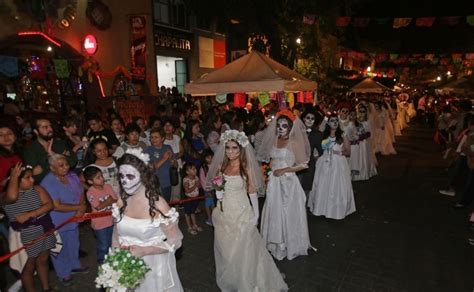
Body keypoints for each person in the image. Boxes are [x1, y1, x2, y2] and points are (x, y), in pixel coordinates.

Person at [204, 129, 288, 291]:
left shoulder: (245, 167)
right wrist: (219, 193)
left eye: (234, 148)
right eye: (227, 147)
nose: (230, 151)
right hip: (224, 213)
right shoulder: (222, 165)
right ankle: (234, 278)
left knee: (245, 251)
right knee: (227, 251)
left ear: (241, 148)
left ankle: (248, 281)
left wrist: (255, 215)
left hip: (241, 213)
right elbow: (219, 187)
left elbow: (252, 191)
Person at [112, 149, 183, 291]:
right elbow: (116, 233)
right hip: (127, 263)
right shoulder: (122, 201)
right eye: (121, 176)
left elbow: (176, 241)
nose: (124, 182)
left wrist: (145, 251)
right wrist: (116, 258)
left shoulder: (158, 204)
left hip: (154, 265)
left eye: (130, 176)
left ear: (143, 176)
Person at [256, 109, 313, 260]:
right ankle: (275, 243)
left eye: (284, 126)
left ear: (290, 127)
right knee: (274, 211)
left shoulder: (293, 143)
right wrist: (268, 170)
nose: (280, 129)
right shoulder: (274, 140)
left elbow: (304, 164)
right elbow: (270, 160)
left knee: (287, 212)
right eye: (279, 126)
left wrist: (285, 170)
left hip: (288, 184)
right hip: (274, 184)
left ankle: (289, 243)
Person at [3, 163, 56, 292]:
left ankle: (46, 288)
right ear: (15, 180)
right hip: (26, 235)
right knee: (28, 266)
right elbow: (12, 196)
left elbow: (49, 205)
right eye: (27, 177)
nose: (32, 180)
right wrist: (14, 177)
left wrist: (30, 214)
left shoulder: (37, 189)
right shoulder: (5, 197)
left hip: (44, 228)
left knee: (43, 259)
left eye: (32, 176)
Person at [40, 154, 88, 285]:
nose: (66, 167)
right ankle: (63, 273)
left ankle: (74, 265)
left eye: (66, 164)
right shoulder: (48, 182)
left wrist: (81, 207)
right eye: (61, 166)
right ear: (52, 168)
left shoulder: (71, 176)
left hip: (74, 217)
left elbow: (81, 191)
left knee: (73, 243)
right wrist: (78, 207)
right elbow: (56, 206)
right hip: (57, 220)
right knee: (59, 247)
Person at [308, 112, 356, 220]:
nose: (334, 123)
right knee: (322, 184)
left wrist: (339, 153)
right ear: (328, 123)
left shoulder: (342, 135)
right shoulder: (323, 135)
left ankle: (335, 209)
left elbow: (348, 152)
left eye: (336, 121)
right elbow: (319, 148)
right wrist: (317, 156)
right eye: (332, 121)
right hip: (324, 162)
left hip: (338, 163)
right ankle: (322, 208)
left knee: (336, 185)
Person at [83, 166, 117, 264]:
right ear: (90, 182)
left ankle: (111, 260)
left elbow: (115, 199)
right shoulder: (90, 192)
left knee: (111, 242)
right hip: (99, 224)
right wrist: (109, 200)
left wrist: (109, 201)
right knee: (103, 244)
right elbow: (98, 207)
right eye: (98, 177)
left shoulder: (108, 187)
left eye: (101, 176)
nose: (102, 178)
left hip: (111, 220)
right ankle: (102, 262)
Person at [299, 108, 324, 193]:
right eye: (308, 118)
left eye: (312, 118)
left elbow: (322, 151)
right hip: (295, 163)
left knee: (306, 188)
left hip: (309, 165)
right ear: (303, 119)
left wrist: (318, 160)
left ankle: (305, 206)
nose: (310, 120)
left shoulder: (317, 134)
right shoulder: (296, 131)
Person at [145, 127, 173, 202]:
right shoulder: (148, 150)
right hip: (155, 184)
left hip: (168, 182)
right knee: (158, 205)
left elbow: (174, 165)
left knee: (167, 203)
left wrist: (171, 159)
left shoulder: (168, 147)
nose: (153, 139)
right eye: (151, 137)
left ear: (162, 138)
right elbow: (151, 168)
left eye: (156, 137)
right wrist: (164, 158)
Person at [163, 119, 184, 202]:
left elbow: (182, 151)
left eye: (169, 125)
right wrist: (175, 155)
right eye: (165, 125)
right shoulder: (162, 140)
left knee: (176, 193)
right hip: (166, 170)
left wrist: (173, 156)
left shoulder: (176, 137)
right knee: (167, 194)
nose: (167, 127)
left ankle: (175, 212)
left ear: (173, 128)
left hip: (177, 169)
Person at [182, 163, 202, 235]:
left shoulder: (196, 177)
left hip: (195, 198)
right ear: (187, 172)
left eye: (195, 168)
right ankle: (189, 227)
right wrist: (195, 185)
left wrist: (199, 185)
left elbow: (198, 187)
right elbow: (187, 190)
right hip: (188, 199)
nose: (195, 170)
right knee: (187, 213)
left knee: (193, 212)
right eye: (193, 169)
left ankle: (195, 225)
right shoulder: (186, 179)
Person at [199, 149, 215, 226]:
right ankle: (209, 218)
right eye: (208, 157)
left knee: (213, 203)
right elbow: (202, 180)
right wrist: (206, 188)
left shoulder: (215, 166)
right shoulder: (203, 168)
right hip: (208, 189)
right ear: (204, 158)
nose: (210, 159)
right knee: (208, 203)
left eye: (211, 157)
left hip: (215, 188)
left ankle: (214, 217)